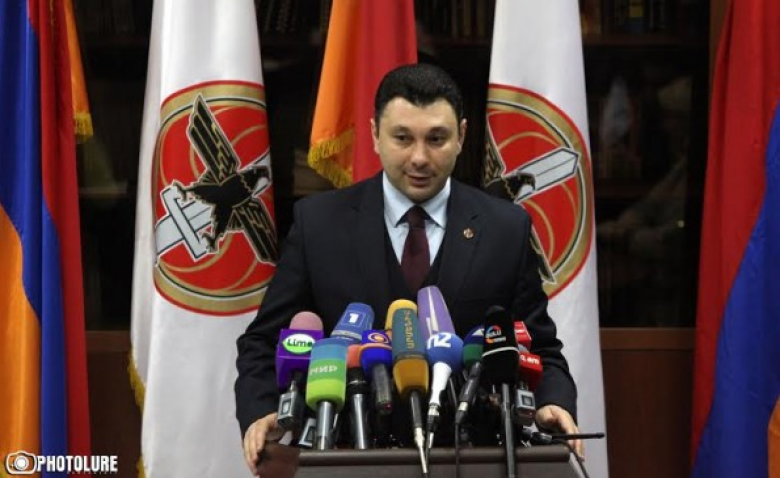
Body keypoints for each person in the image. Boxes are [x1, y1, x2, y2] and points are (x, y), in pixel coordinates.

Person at [235, 63, 580, 475]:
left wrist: (553, 402)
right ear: (375, 135)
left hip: (469, 458)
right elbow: (263, 341)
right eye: (402, 138)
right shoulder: (319, 224)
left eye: (436, 139)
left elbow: (539, 346)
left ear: (461, 136)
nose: (419, 158)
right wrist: (262, 409)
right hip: (349, 456)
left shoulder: (505, 228)